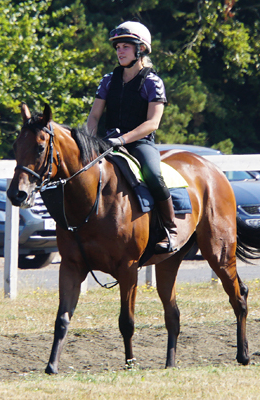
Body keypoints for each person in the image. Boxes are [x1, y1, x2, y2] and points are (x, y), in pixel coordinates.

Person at [86, 21, 178, 253]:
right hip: (106, 143)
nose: (120, 51)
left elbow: (152, 123)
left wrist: (123, 140)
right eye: (118, 47)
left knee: (153, 174)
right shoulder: (108, 80)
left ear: (141, 49)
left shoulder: (152, 82)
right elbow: (94, 116)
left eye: (126, 46)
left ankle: (170, 229)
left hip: (139, 143)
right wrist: (88, 142)